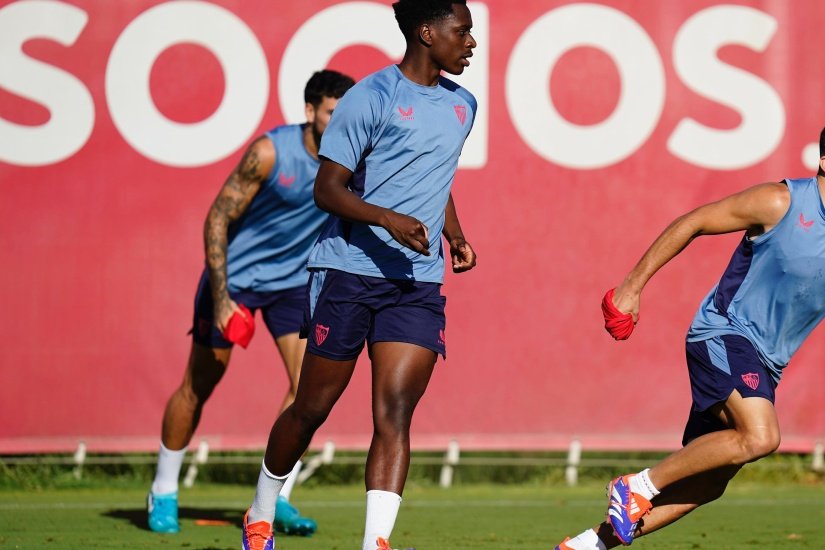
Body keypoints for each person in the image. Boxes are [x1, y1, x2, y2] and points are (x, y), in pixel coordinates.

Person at [240, 2, 478, 549]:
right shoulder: (370, 98)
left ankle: (375, 544)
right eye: (462, 31)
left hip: (415, 282)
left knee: (394, 412)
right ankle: (260, 512)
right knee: (311, 409)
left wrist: (454, 232)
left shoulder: (464, 104)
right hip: (348, 272)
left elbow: (433, 179)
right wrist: (386, 219)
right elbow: (329, 189)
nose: (470, 42)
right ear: (427, 33)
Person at [555, 127, 825, 550]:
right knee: (761, 437)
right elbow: (694, 221)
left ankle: (588, 546)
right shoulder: (782, 201)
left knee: (708, 482)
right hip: (724, 333)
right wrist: (631, 287)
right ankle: (636, 484)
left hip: (767, 363)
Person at [146, 69, 356, 535]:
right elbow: (217, 217)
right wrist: (220, 296)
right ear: (309, 112)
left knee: (310, 390)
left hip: (292, 285)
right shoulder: (269, 152)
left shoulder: (352, 158)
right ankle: (162, 491)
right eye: (331, 113)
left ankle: (275, 497)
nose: (342, 122)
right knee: (199, 386)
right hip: (234, 281)